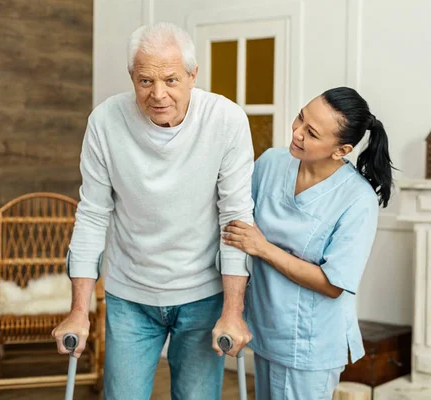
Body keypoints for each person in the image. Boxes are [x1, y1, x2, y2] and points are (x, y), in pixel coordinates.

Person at [51, 22, 254, 400]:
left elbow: (235, 219)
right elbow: (93, 215)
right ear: (131, 76)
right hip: (130, 293)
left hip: (201, 294)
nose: (158, 94)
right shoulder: (105, 122)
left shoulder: (225, 120)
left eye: (172, 80)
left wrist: (233, 310)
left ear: (193, 75)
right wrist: (79, 309)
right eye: (145, 81)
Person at [222, 87, 394, 399]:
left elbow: (333, 284)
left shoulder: (357, 199)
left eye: (311, 133)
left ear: (340, 150)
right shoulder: (272, 163)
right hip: (264, 327)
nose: (297, 132)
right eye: (300, 117)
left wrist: (263, 247)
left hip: (310, 343)